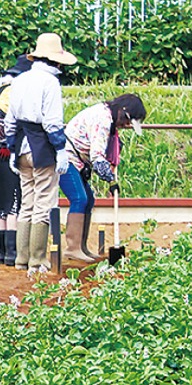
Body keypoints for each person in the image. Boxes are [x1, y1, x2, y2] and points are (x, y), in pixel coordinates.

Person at [4, 32, 78, 275]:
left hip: (21, 146)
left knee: (27, 201)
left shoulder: (19, 80)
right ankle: (37, 260)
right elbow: (52, 121)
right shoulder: (50, 83)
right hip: (42, 147)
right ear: (56, 60)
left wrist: (12, 148)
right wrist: (60, 149)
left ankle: (21, 258)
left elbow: (10, 120)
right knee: (44, 202)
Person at [60, 93, 146, 265]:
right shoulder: (103, 120)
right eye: (127, 120)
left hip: (78, 160)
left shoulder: (109, 120)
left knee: (89, 199)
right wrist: (111, 181)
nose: (126, 125)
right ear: (122, 111)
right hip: (66, 157)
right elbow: (97, 157)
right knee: (79, 198)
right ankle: (72, 248)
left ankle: (81, 247)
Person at [0, 56, 29, 266]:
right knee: (14, 201)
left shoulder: (1, 89)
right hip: (7, 152)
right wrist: (5, 143)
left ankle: (0, 252)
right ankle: (12, 252)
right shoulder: (12, 90)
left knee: (1, 203)